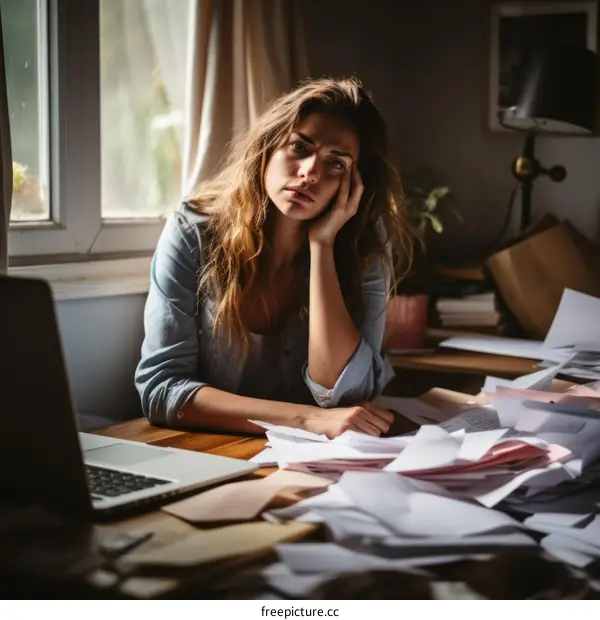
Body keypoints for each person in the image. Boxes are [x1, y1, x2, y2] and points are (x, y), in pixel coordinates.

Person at [134, 77, 412, 439]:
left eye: (337, 164)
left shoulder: (365, 247)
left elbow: (348, 396)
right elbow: (162, 389)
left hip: (316, 459)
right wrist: (306, 420)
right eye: (299, 147)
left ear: (355, 183)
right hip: (211, 448)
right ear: (268, 146)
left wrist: (322, 245)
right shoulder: (194, 232)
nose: (310, 173)